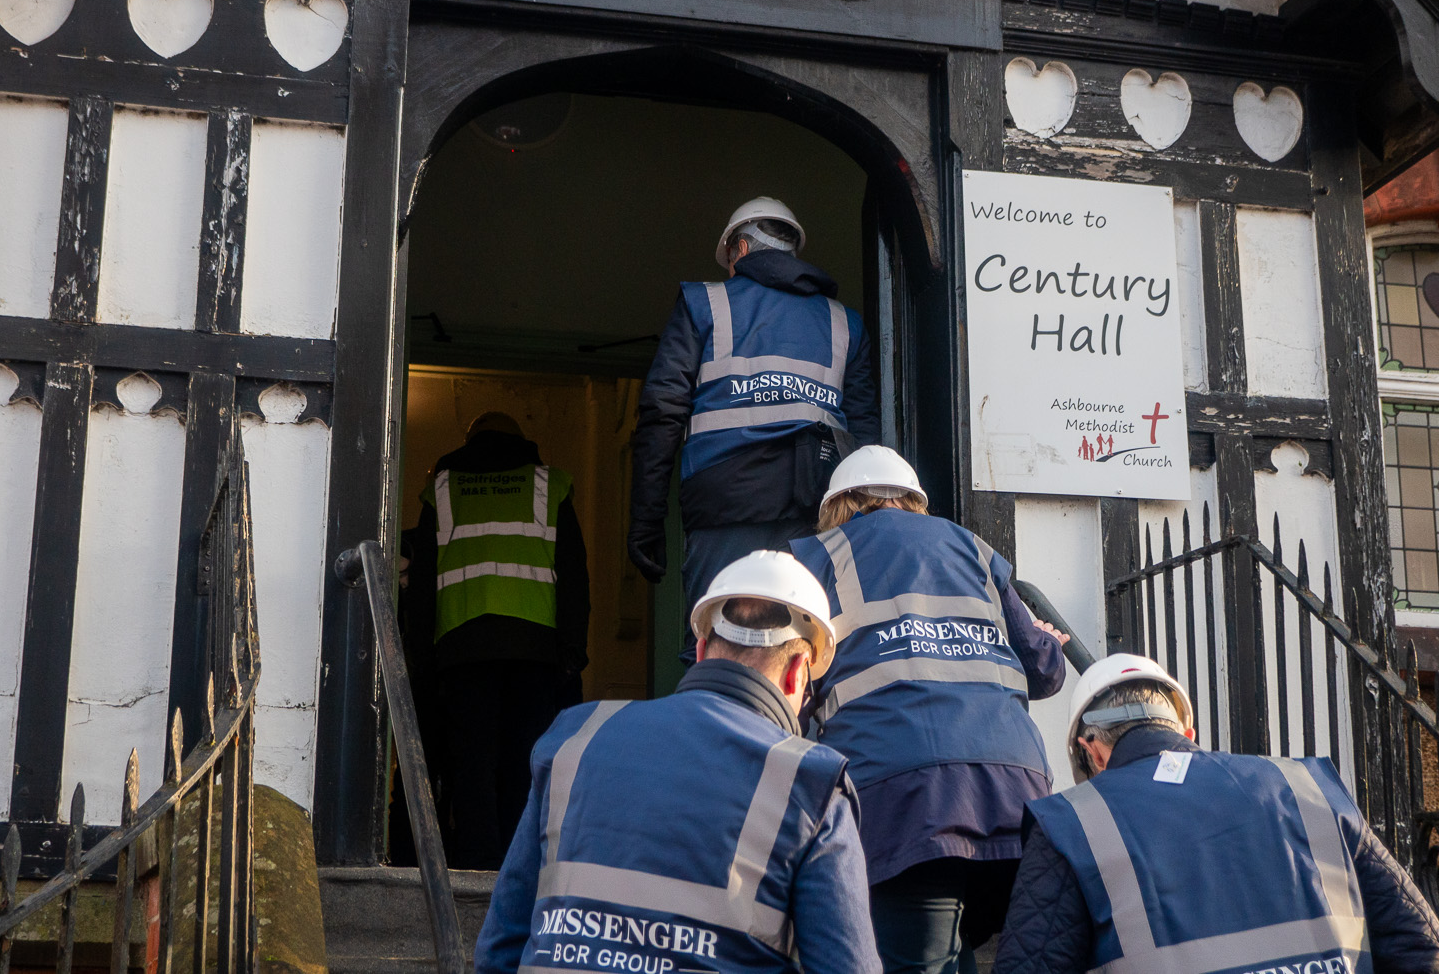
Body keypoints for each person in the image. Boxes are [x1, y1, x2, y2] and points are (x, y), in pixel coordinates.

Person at [476, 551, 882, 974]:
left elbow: (499, 948)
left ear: (703, 649)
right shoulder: (809, 783)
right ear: (799, 672)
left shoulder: (575, 737)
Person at [789, 447, 1071, 974]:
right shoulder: (974, 549)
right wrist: (1047, 642)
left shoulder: (816, 559)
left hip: (904, 798)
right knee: (957, 951)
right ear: (915, 502)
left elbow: (789, 685)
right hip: (1015, 795)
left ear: (838, 505)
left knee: (917, 956)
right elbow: (1044, 671)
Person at [995, 654, 1439, 974]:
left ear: (1090, 749)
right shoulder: (1305, 787)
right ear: (1186, 730)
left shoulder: (1074, 822)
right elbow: (1423, 947)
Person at [629, 197, 880, 663]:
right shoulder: (846, 324)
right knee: (808, 650)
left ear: (739, 249)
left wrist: (646, 520)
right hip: (818, 509)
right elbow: (865, 437)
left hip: (725, 503)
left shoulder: (703, 304)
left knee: (716, 646)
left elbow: (662, 411)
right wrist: (867, 528)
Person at [400, 411, 590, 870]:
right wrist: (571, 651)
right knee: (526, 759)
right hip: (535, 650)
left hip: (462, 647)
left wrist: (419, 662)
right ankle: (519, 864)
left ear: (470, 440)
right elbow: (574, 579)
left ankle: (476, 864)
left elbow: (421, 586)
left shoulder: (442, 490)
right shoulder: (551, 486)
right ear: (521, 440)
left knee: (471, 762)